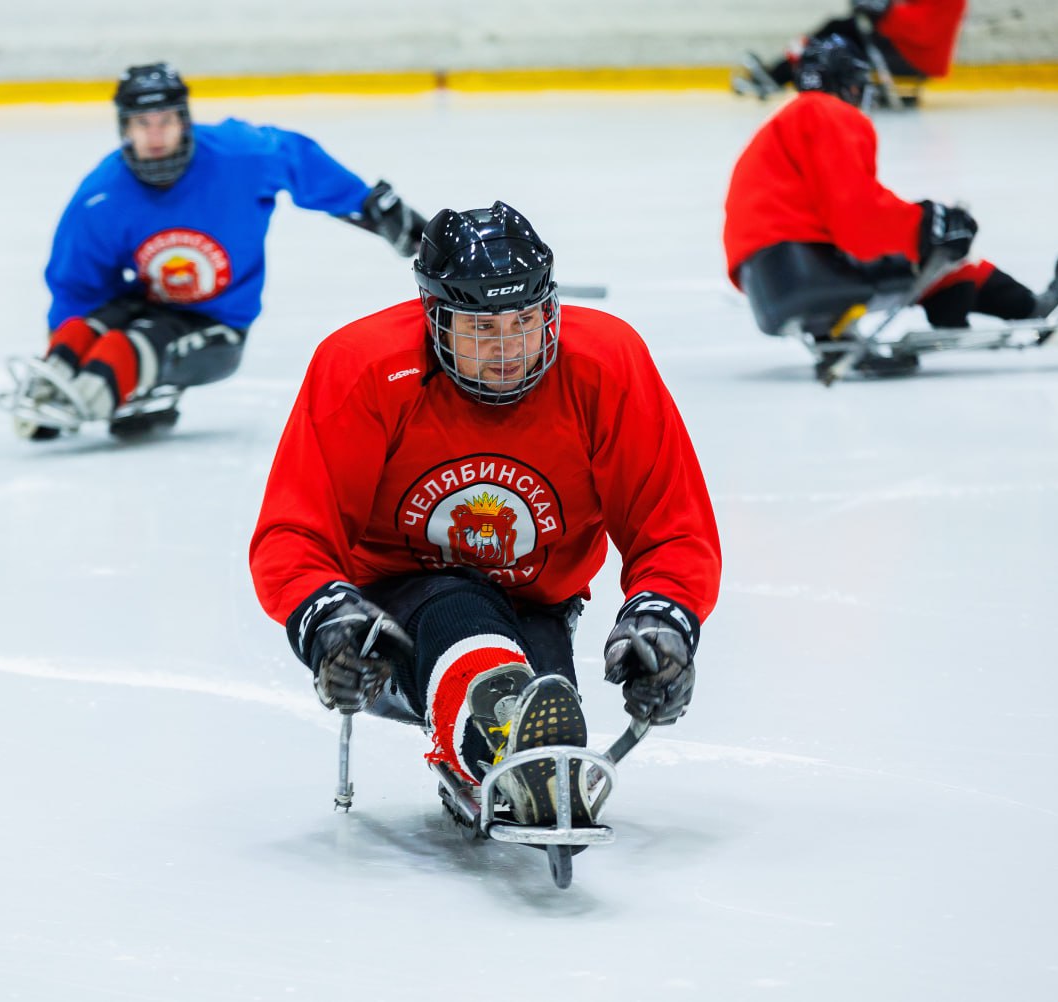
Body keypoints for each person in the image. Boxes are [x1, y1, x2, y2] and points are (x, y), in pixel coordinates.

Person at [249, 202, 721, 830]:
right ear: (433, 319)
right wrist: (327, 618)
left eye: (525, 321)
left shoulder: (607, 363)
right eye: (481, 329)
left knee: (544, 711)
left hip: (535, 602)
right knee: (460, 615)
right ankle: (498, 738)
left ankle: (499, 752)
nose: (510, 350)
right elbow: (294, 529)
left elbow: (671, 523)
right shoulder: (364, 368)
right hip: (397, 613)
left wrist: (663, 619)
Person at [6, 62, 427, 440]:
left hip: (219, 324)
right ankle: (60, 380)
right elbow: (77, 286)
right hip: (149, 302)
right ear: (124, 128)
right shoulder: (101, 197)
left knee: (126, 348)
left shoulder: (239, 156)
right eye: (142, 123)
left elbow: (295, 157)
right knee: (84, 333)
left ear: (184, 120)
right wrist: (66, 346)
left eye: (165, 120)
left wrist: (369, 204)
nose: (154, 135)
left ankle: (114, 381)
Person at [723, 35, 1058, 378]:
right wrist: (928, 226)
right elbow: (858, 218)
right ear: (848, 84)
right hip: (810, 274)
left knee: (916, 247)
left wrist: (919, 226)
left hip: (769, 288)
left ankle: (852, 329)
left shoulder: (782, 127)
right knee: (944, 247)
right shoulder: (827, 112)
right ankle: (1035, 310)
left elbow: (833, 214)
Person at [732, 0, 967, 105]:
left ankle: (775, 78)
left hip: (914, 57)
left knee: (836, 35)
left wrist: (884, 10)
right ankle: (776, 75)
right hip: (906, 48)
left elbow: (924, 30)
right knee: (837, 29)